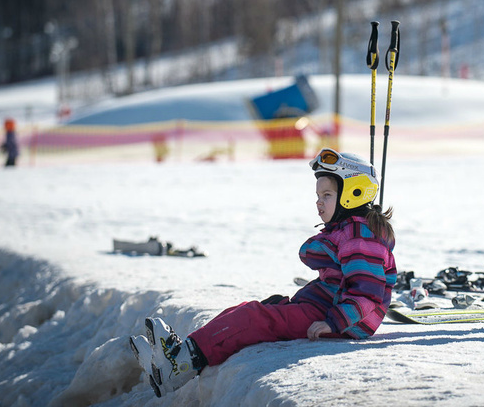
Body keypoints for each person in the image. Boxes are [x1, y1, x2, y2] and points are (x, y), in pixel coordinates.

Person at [130, 148, 397, 397]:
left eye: (326, 195)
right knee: (249, 308)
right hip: (327, 309)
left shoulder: (360, 237)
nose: (319, 202)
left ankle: (179, 367)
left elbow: (367, 293)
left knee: (254, 317)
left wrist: (335, 321)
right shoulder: (349, 230)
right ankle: (180, 355)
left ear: (354, 193)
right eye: (317, 196)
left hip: (341, 321)